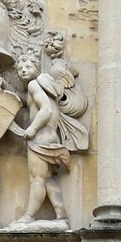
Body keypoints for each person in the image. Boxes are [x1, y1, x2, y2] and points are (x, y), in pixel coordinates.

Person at [9, 40, 89, 227]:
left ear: (37, 68)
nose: (23, 69)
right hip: (50, 137)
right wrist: (6, 85)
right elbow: (28, 102)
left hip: (40, 139)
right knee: (46, 178)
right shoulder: (41, 86)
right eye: (20, 66)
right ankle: (61, 214)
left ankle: (29, 216)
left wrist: (32, 129)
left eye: (28, 65)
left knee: (36, 178)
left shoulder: (34, 85)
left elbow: (45, 110)